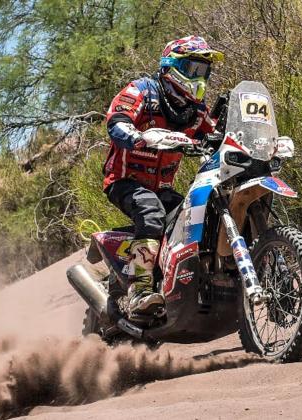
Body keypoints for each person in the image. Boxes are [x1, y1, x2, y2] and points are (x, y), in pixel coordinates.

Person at [102, 36, 223, 319]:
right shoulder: (143, 91)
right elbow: (117, 120)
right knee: (151, 212)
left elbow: (216, 136)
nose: (199, 77)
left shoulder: (196, 111)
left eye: (204, 71)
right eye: (193, 69)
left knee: (199, 214)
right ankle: (139, 292)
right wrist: (137, 136)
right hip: (124, 181)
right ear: (172, 67)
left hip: (163, 188)